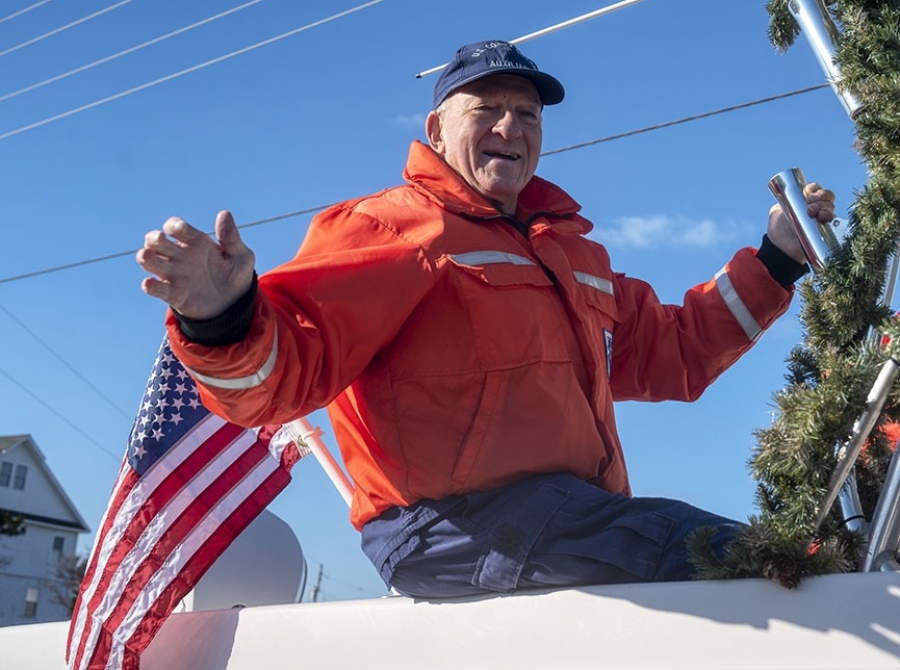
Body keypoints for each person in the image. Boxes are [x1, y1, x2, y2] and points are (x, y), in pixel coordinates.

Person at [137, 40, 836, 598]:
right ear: (437, 130)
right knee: (721, 556)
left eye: (528, 115)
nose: (511, 126)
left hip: (568, 516)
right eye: (488, 109)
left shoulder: (570, 254)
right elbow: (285, 374)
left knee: (712, 555)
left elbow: (675, 350)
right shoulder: (393, 228)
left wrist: (775, 260)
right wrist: (219, 317)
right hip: (439, 529)